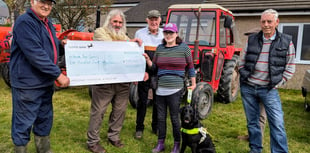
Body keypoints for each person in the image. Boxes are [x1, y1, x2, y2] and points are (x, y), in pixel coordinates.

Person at [10, 0, 70, 153]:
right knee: (23, 122)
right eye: (42, 2)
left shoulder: (46, 22)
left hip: (44, 82)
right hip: (28, 84)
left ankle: (43, 150)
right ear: (32, 2)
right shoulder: (25, 22)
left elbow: (50, 44)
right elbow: (35, 54)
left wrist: (62, 45)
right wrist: (58, 74)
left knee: (44, 119)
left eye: (49, 3)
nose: (46, 6)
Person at [239, 9, 295, 153]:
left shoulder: (286, 41)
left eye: (269, 21)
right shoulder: (252, 39)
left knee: (277, 123)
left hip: (269, 89)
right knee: (253, 122)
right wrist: (243, 75)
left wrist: (279, 82)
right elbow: (242, 60)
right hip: (249, 87)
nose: (266, 25)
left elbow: (290, 66)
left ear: (277, 22)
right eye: (263, 21)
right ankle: (255, 149)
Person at [86, 9, 142, 153]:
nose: (117, 25)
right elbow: (110, 45)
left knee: (119, 111)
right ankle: (92, 142)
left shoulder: (123, 35)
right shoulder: (100, 32)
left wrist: (132, 43)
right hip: (104, 81)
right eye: (115, 21)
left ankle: (114, 136)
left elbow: (127, 51)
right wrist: (129, 42)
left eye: (120, 22)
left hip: (122, 81)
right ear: (109, 21)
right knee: (98, 112)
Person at [143, 23, 196, 153]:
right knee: (160, 118)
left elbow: (190, 67)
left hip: (175, 89)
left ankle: (176, 145)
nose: (168, 35)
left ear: (176, 34)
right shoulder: (160, 48)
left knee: (174, 118)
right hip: (160, 89)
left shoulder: (184, 48)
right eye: (166, 32)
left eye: (171, 33)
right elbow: (155, 68)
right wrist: (149, 61)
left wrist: (193, 83)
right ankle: (160, 143)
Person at [134, 9, 164, 139]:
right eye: (151, 19)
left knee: (158, 101)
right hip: (144, 72)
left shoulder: (165, 34)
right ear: (147, 20)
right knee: (142, 101)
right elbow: (135, 55)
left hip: (159, 72)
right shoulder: (139, 33)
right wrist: (139, 72)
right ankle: (139, 128)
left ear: (160, 20)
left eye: (156, 19)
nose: (154, 22)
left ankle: (155, 126)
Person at [238, 28, 267, 142]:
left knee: (260, 115)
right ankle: (251, 136)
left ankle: (257, 139)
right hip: (250, 86)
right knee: (251, 115)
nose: (249, 40)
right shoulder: (250, 51)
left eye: (251, 37)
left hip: (263, 87)